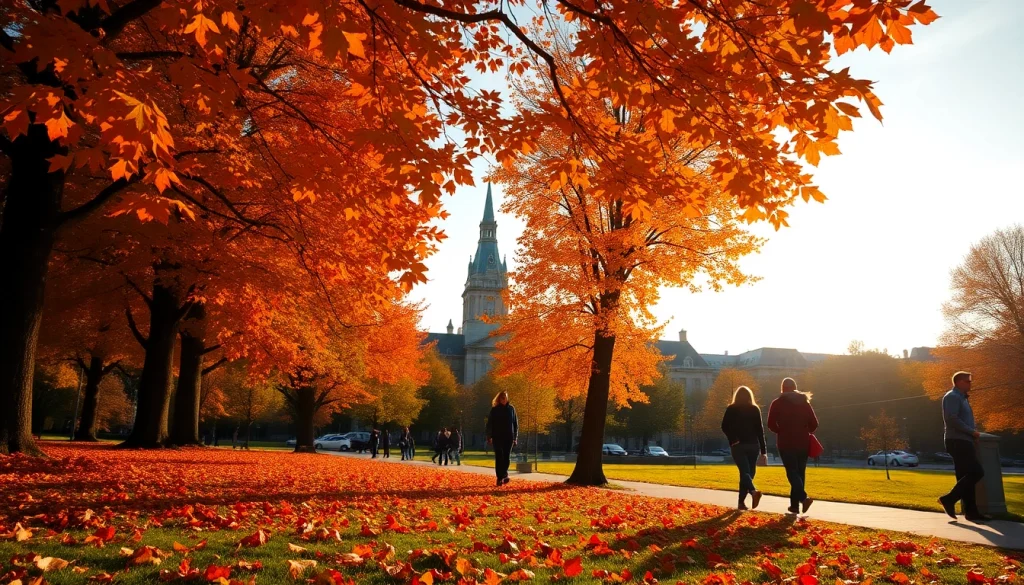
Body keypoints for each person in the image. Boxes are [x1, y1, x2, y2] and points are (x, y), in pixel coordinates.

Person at [938, 371, 988, 522]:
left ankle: (971, 512)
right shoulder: (952, 397)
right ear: (959, 382)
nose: (970, 384)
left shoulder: (962, 398)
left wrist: (972, 436)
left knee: (965, 477)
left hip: (963, 440)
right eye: (968, 381)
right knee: (976, 472)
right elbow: (951, 419)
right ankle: (948, 499)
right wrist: (972, 432)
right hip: (957, 441)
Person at [767, 377, 818, 514]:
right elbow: (814, 423)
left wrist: (781, 431)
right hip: (803, 441)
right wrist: (804, 430)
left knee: (792, 472)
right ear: (795, 387)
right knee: (800, 473)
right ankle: (794, 506)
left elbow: (770, 424)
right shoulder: (804, 402)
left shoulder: (777, 403)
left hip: (786, 442)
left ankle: (803, 498)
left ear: (782, 388)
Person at [721, 385, 767, 510]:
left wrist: (733, 439)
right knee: (749, 473)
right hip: (753, 445)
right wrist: (763, 451)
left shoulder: (731, 408)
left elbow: (724, 426)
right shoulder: (754, 409)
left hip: (738, 445)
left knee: (745, 472)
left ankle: (748, 496)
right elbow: (760, 430)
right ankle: (746, 498)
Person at [485, 391, 518, 486]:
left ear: (507, 398)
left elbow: (515, 424)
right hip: (497, 437)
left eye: (505, 398)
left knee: (506, 457)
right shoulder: (494, 410)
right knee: (499, 457)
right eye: (502, 398)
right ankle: (500, 477)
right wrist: (489, 436)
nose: (503, 399)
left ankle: (504, 474)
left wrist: (515, 437)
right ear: (499, 399)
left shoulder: (511, 409)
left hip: (509, 437)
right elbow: (489, 424)